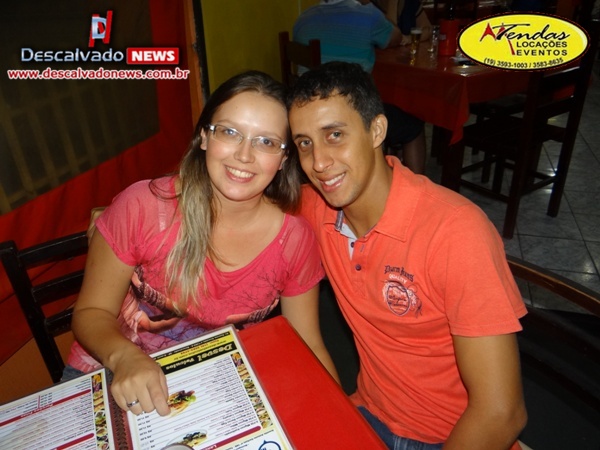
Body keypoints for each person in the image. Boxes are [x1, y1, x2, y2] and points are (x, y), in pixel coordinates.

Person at [68, 70, 339, 416]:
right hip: (108, 368)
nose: (244, 155)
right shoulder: (143, 207)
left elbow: (308, 344)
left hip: (212, 384)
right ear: (204, 137)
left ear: (284, 158)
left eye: (266, 142)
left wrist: (340, 416)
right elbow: (91, 313)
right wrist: (124, 357)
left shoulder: (294, 240)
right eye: (230, 132)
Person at [287, 61, 528, 449]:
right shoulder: (318, 208)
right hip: (370, 413)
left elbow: (501, 413)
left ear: (377, 130)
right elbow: (242, 202)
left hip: (451, 437)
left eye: (335, 135)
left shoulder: (455, 232)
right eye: (304, 143)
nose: (318, 162)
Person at [293, 0, 427, 174]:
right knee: (414, 124)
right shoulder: (369, 15)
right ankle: (415, 182)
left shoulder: (303, 18)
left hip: (306, 109)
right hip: (349, 109)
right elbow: (397, 37)